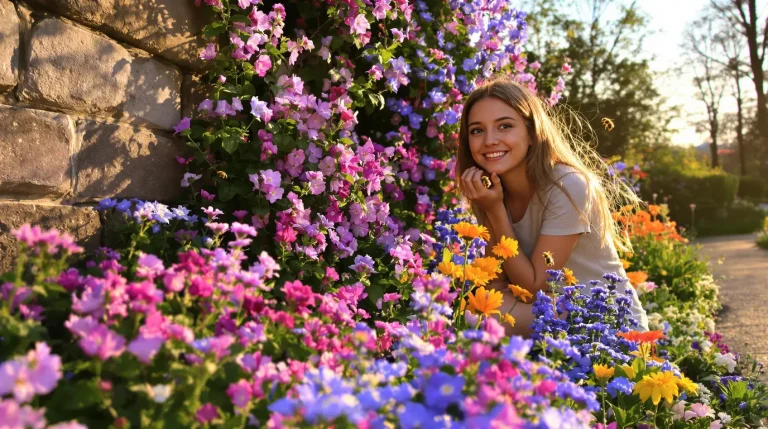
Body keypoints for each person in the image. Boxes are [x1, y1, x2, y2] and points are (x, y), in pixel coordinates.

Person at [456, 75, 649, 336]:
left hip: (605, 323)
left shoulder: (568, 185)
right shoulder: (489, 191)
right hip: (547, 312)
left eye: (505, 126)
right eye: (477, 130)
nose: (489, 140)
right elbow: (495, 282)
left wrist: (494, 211)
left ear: (532, 133)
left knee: (467, 319)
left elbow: (534, 285)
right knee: (466, 311)